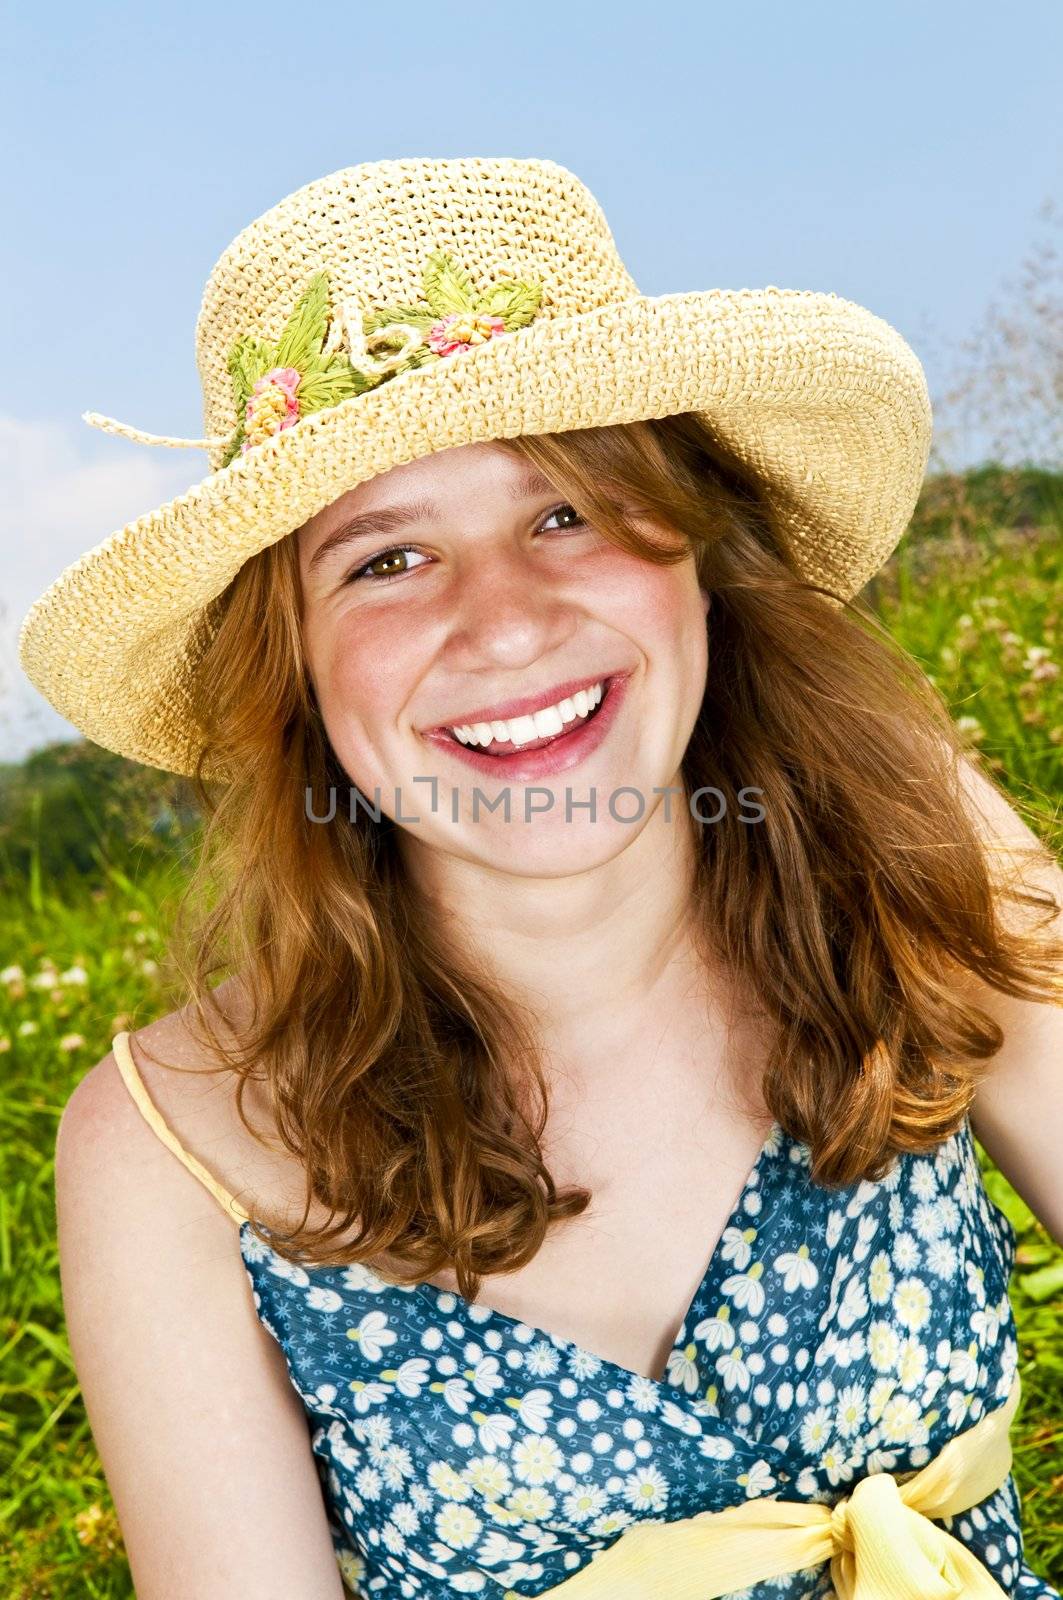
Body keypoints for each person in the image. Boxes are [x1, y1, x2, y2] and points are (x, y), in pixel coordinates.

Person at [19, 157, 1063, 1600]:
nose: (504, 624)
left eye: (565, 511)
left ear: (698, 551)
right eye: (387, 560)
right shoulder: (169, 1146)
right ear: (299, 675)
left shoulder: (905, 833)